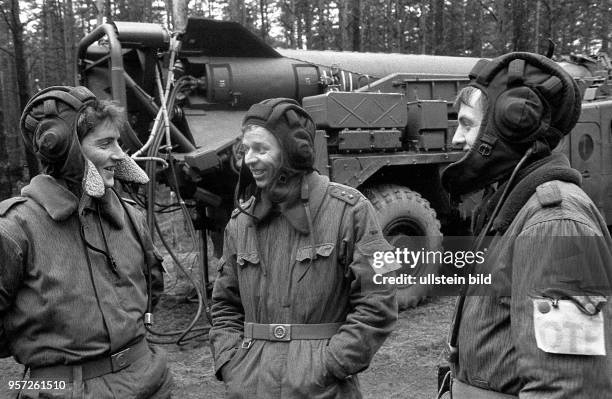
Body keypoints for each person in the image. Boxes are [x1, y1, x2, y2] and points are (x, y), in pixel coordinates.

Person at [439, 52, 612, 398]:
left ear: (512, 124)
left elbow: (568, 388)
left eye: (468, 124)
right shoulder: (513, 211)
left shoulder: (556, 224)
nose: (457, 139)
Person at [209, 98, 398, 398]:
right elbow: (224, 304)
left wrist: (329, 364)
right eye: (246, 150)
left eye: (261, 149)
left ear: (292, 152)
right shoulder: (240, 223)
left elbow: (380, 300)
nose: (249, 160)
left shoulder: (352, 210)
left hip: (324, 389)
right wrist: (231, 361)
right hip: (250, 386)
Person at [0, 86, 173, 398]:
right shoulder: (15, 229)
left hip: (149, 380)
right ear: (65, 150)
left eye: (118, 141)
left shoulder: (130, 216)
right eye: (105, 143)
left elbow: (152, 289)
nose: (120, 154)